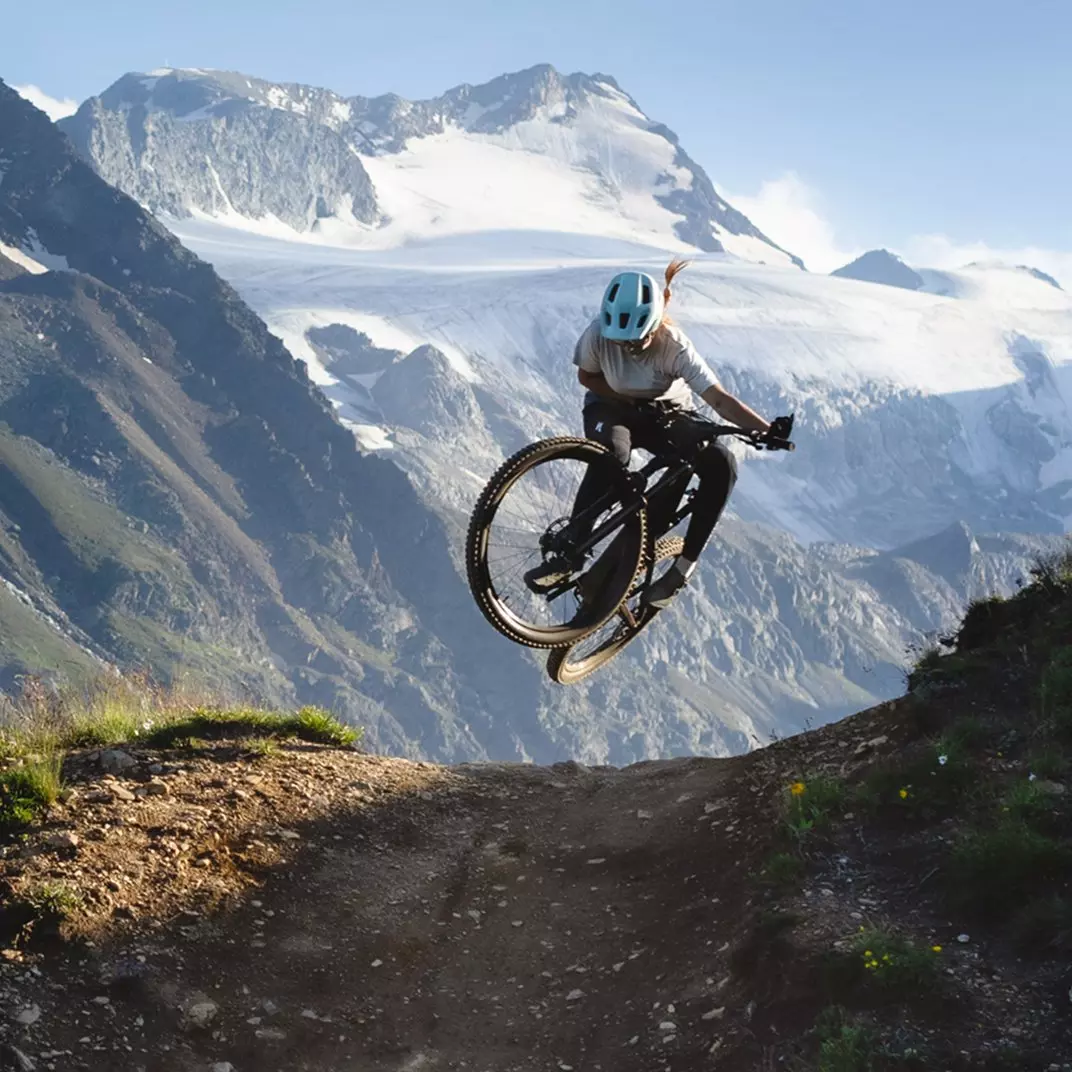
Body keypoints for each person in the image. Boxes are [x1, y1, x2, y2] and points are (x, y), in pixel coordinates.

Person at [530, 259, 774, 609]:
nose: (628, 348)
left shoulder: (675, 346)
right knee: (610, 456)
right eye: (621, 342)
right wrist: (628, 398)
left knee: (720, 463)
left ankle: (681, 570)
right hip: (610, 404)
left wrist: (766, 430)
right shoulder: (597, 334)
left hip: (666, 413)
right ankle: (571, 549)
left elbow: (719, 400)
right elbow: (587, 377)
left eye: (638, 341)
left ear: (657, 322)